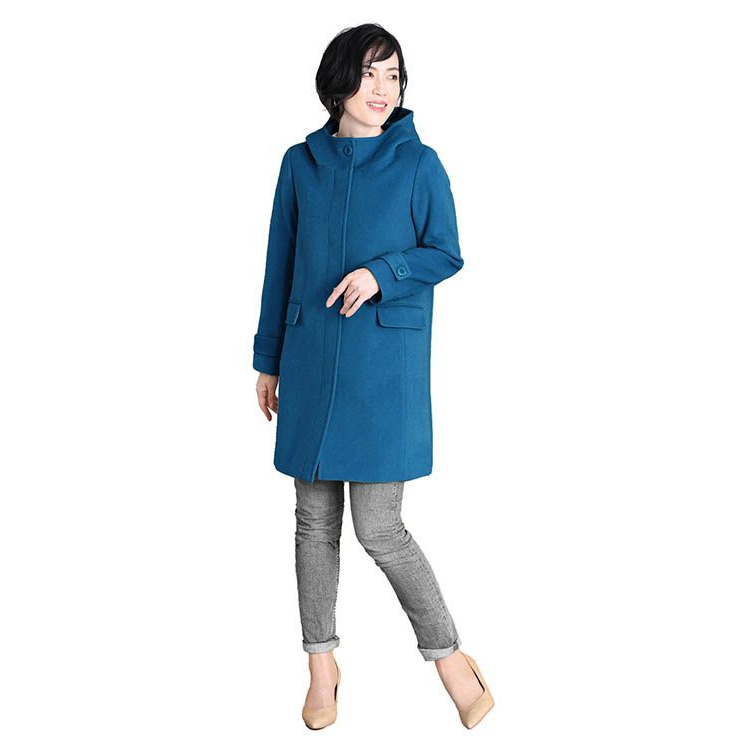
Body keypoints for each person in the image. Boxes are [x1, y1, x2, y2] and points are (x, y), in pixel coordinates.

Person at [252, 23, 494, 730]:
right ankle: (320, 665)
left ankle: (450, 656)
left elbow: (446, 252)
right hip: (308, 359)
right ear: (338, 81)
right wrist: (267, 359)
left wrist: (383, 273)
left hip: (383, 374)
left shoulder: (419, 165)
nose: (383, 89)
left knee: (380, 528)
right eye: (369, 74)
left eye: (393, 75)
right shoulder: (300, 163)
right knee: (312, 523)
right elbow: (279, 263)